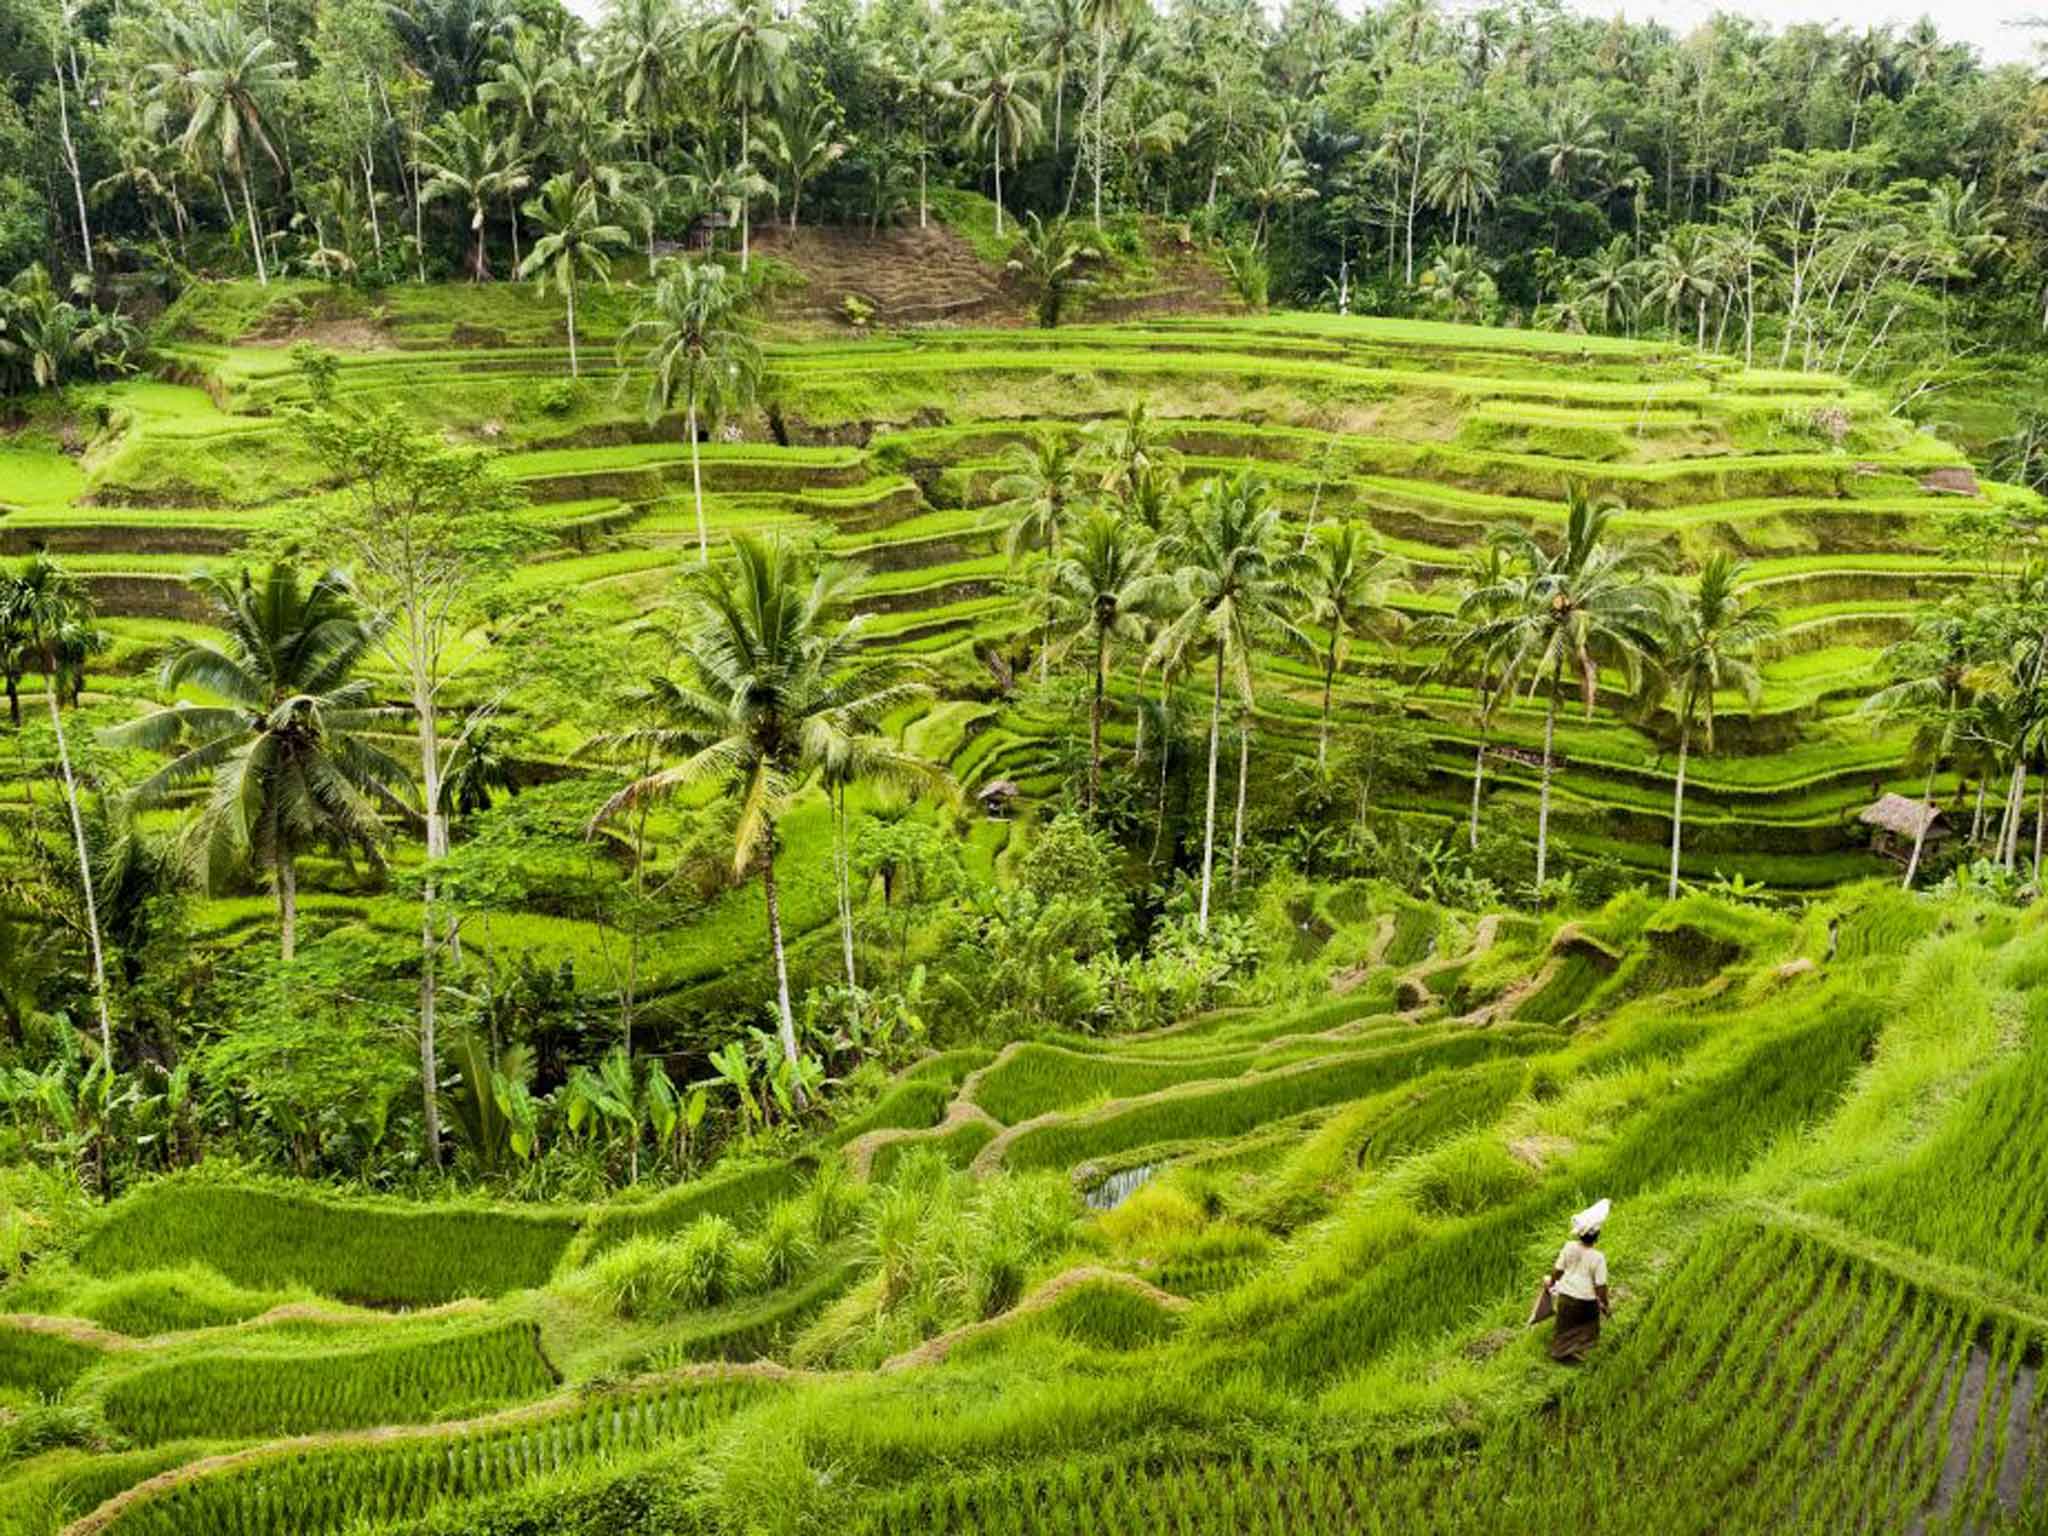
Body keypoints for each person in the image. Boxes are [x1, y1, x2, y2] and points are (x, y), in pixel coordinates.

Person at [1545, 1198, 1610, 1362]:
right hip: (1585, 1300)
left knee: (1564, 1327)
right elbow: (1601, 1286)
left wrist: (1551, 1283)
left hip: (1565, 1295)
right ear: (1597, 1237)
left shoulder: (1569, 1246)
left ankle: (1561, 1351)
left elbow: (1558, 1270)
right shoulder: (1598, 1258)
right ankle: (1570, 1352)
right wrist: (1604, 1303)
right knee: (1588, 1328)